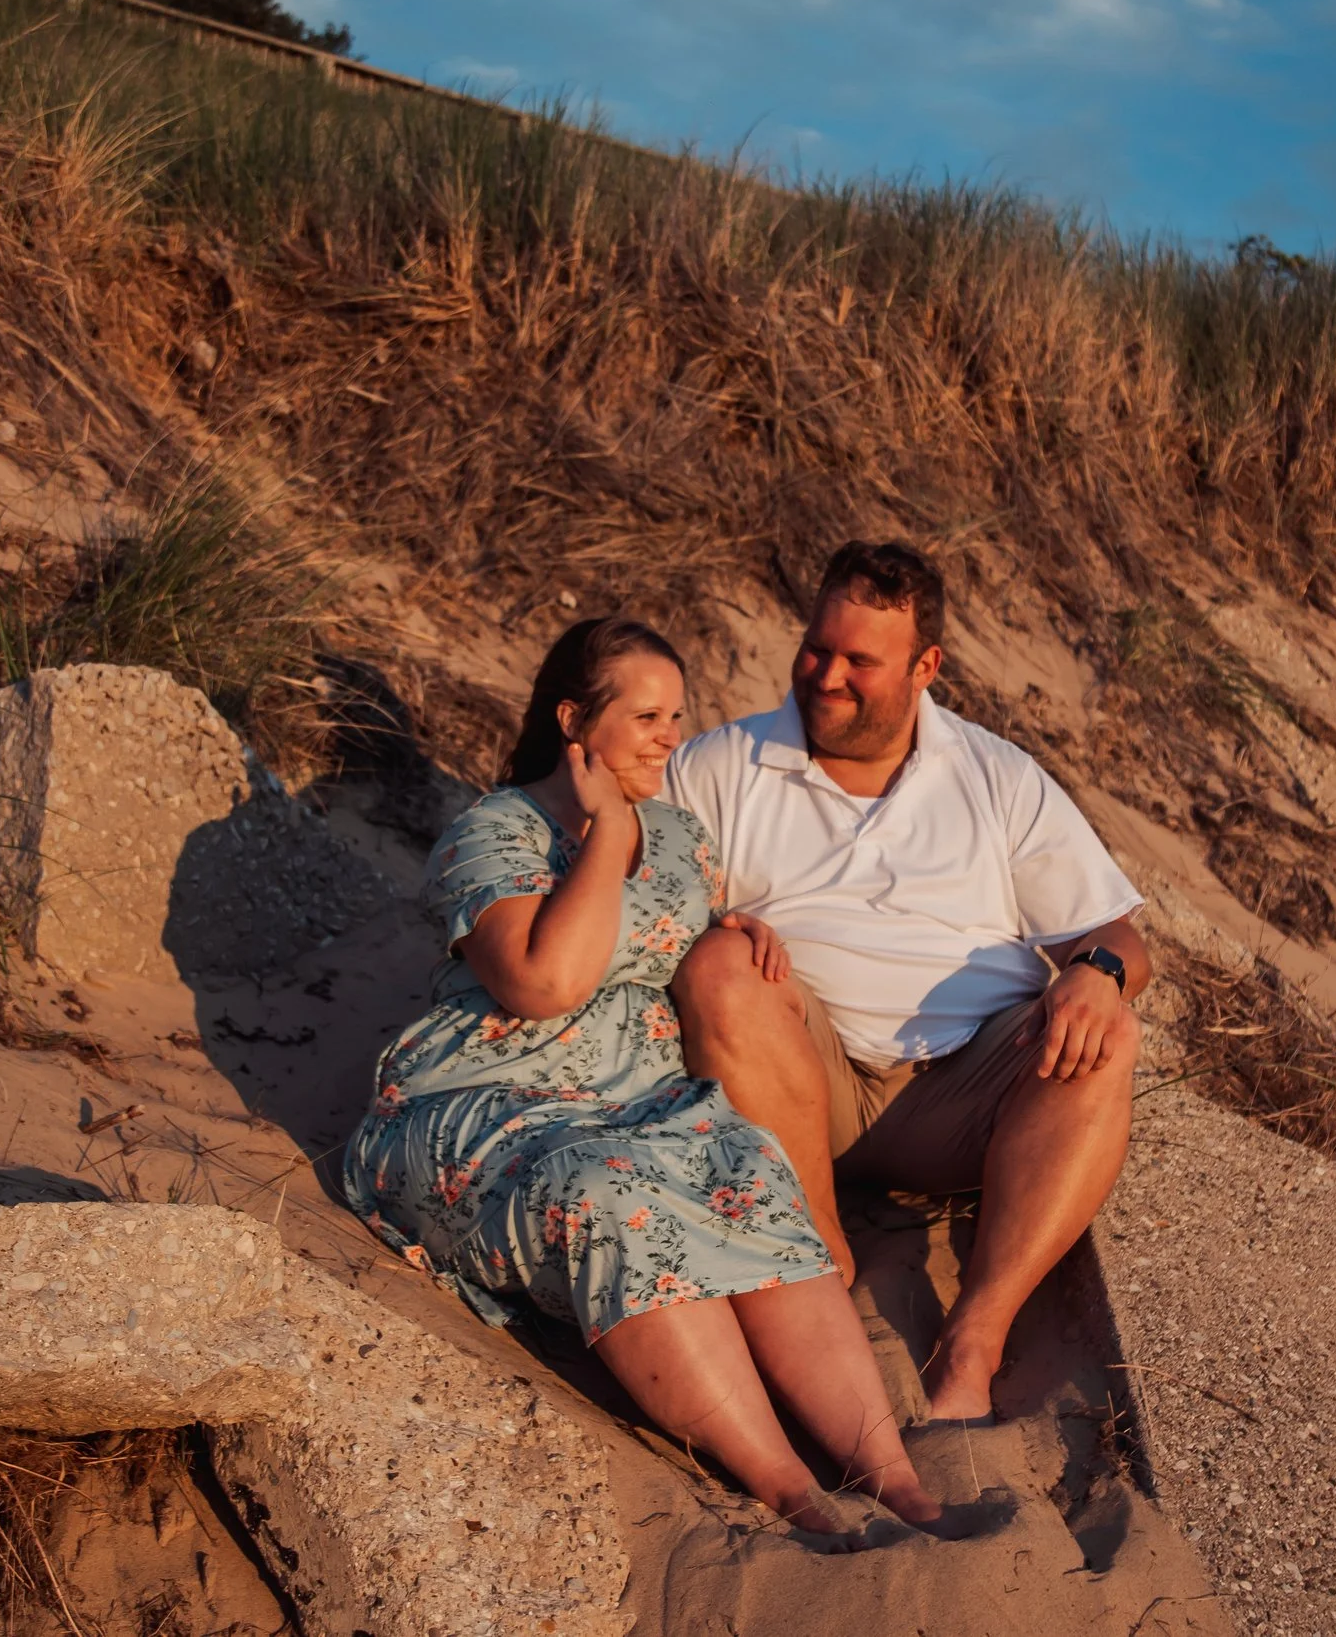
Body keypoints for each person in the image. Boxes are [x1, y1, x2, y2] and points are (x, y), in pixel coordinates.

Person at [342, 616, 944, 1540]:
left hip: (639, 1097)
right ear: (575, 719)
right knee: (611, 1196)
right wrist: (605, 837)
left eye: (678, 715)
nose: (672, 735)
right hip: (486, 1103)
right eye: (650, 715)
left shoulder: (679, 833)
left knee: (748, 1165)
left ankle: (896, 1477)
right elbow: (546, 983)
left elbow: (673, 934)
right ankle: (790, 1487)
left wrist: (737, 927)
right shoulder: (495, 830)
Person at [664, 541, 1149, 1424]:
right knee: (717, 967)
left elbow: (1116, 932)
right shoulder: (718, 768)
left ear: (927, 666)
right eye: (818, 648)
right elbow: (645, 903)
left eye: (860, 661)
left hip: (968, 1093)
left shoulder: (995, 774)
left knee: (1105, 1029)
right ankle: (823, 1258)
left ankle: (977, 1335)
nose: (828, 676)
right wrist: (715, 923)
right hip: (799, 1083)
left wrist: (1098, 972)